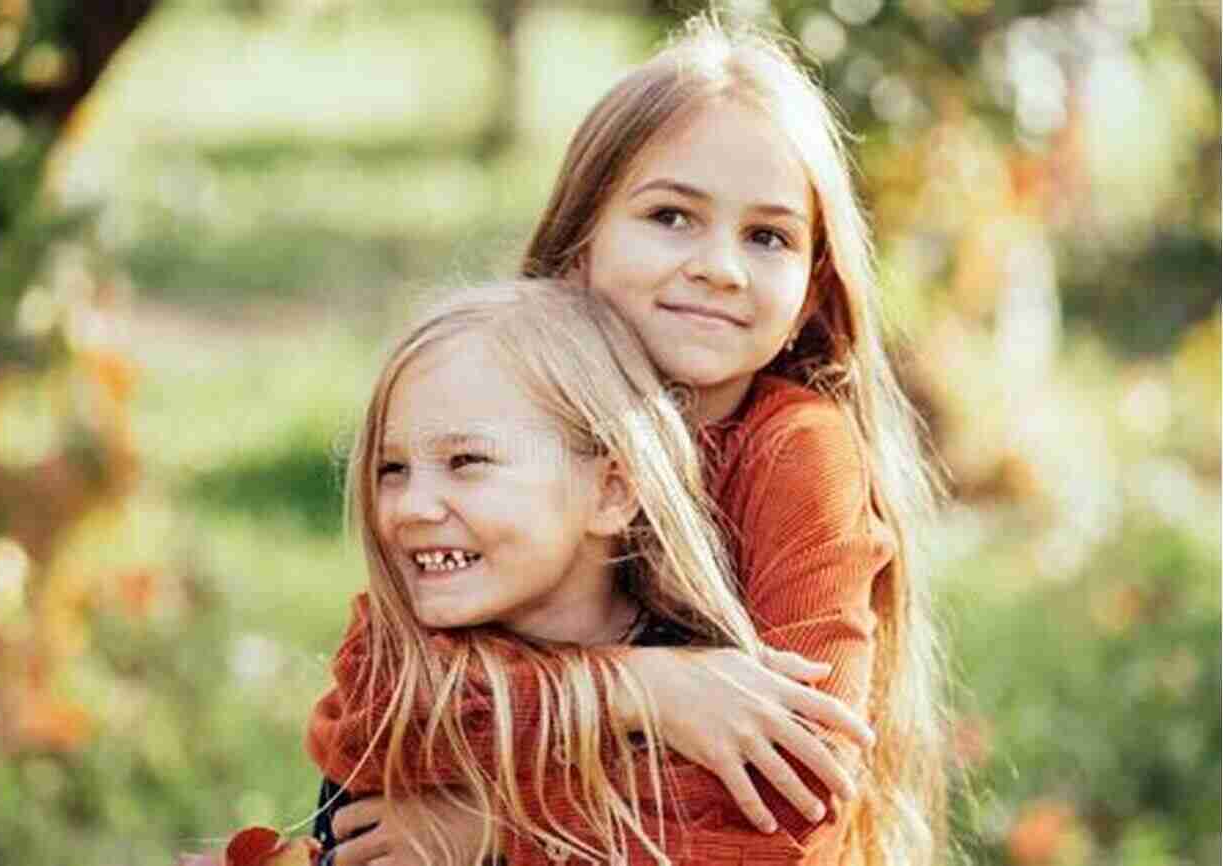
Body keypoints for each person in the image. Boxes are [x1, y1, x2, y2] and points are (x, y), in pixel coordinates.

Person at [311, 12, 947, 866]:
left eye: (767, 236)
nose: (720, 265)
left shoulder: (796, 455)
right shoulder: (495, 391)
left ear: (808, 289)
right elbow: (377, 706)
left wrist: (499, 831)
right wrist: (640, 691)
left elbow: (794, 804)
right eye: (673, 217)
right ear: (579, 240)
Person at [311, 278, 855, 866]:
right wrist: (635, 690)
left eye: (466, 461)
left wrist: (500, 827)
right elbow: (385, 725)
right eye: (392, 468)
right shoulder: (401, 659)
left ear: (611, 491)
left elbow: (764, 842)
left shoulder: (713, 682)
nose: (413, 505)